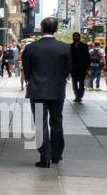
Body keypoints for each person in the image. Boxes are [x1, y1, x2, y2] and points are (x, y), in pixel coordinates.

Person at [21, 16, 71, 167]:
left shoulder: (31, 48)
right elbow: (68, 69)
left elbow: (27, 71)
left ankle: (45, 156)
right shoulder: (65, 48)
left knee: (40, 124)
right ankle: (57, 154)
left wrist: (34, 81)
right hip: (57, 91)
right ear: (56, 30)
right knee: (57, 121)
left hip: (37, 90)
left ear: (41, 29)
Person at [69, 31, 90, 103]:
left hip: (82, 67)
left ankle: (80, 95)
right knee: (74, 82)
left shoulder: (84, 46)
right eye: (74, 36)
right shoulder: (70, 46)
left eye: (77, 36)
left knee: (81, 82)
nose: (75, 38)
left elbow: (87, 57)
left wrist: (88, 67)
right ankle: (76, 95)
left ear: (79, 37)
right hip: (73, 68)